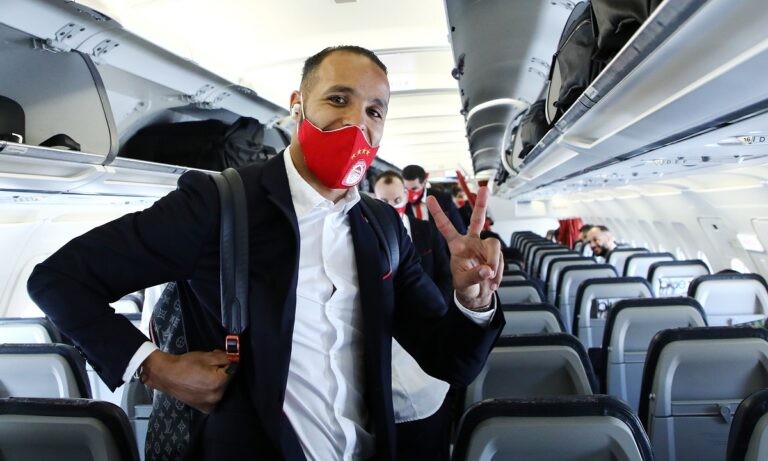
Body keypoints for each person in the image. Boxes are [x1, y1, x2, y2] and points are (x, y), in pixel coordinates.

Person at [27, 45, 504, 460]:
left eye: (374, 111)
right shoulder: (220, 205)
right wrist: (155, 367)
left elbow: (450, 362)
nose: (356, 122)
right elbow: (60, 279)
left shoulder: (382, 226)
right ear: (298, 106)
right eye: (338, 99)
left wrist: (474, 300)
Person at [373, 170, 453, 460]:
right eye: (384, 201)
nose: (392, 206)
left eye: (397, 200)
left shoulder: (425, 230)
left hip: (429, 330)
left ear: (406, 196)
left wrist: (437, 312)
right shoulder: (366, 236)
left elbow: (444, 275)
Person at [402, 165, 467, 234]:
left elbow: (459, 227)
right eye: (406, 188)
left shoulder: (442, 199)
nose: (409, 193)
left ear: (424, 183)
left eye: (414, 188)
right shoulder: (402, 203)